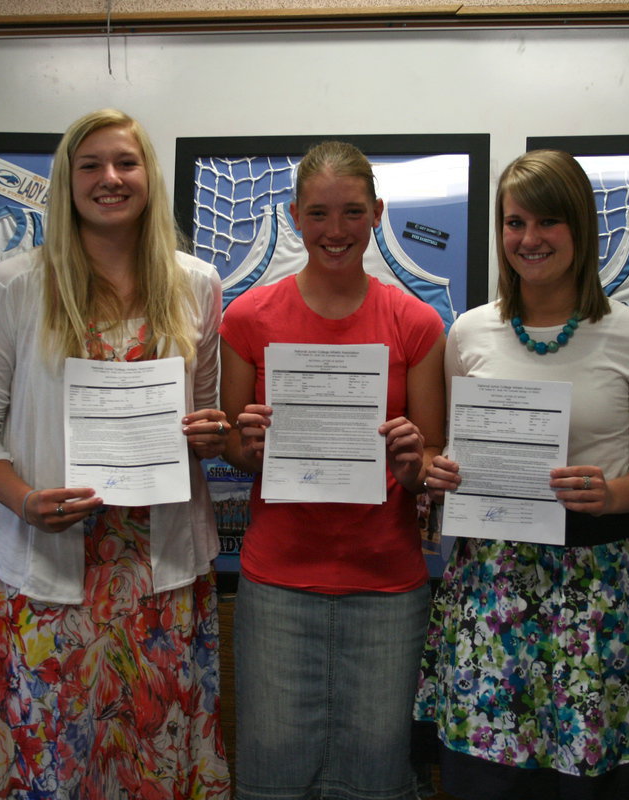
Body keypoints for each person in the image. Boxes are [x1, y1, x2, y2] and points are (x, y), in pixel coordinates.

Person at [0, 109, 231, 799]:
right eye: (91, 165)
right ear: (67, 181)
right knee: (52, 767)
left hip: (161, 577)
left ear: (149, 178)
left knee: (157, 766)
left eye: (126, 164)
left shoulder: (196, 284)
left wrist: (210, 435)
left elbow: (206, 418)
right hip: (51, 580)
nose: (110, 178)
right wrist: (21, 500)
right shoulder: (16, 286)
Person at [414, 149, 629, 799]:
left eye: (548, 221)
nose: (529, 239)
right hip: (489, 590)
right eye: (514, 222)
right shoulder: (470, 331)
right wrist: (440, 471)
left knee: (589, 780)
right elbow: (445, 448)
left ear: (580, 228)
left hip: (592, 590)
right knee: (487, 779)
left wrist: (614, 492)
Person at [220, 140, 446, 800]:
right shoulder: (248, 317)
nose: (336, 231)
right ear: (294, 216)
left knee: (378, 775)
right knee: (273, 770)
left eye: (352, 212)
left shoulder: (417, 322)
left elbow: (428, 462)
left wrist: (413, 458)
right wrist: (249, 442)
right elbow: (234, 448)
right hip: (278, 584)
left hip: (387, 587)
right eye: (319, 213)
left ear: (378, 213)